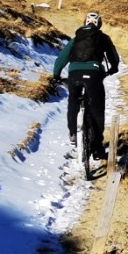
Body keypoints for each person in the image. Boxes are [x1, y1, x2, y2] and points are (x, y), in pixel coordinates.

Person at [51, 11, 120, 157]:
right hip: (94, 74)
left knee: (73, 102)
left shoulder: (76, 38)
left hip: (74, 74)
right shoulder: (103, 37)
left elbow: (61, 58)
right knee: (97, 109)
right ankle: (97, 148)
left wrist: (56, 75)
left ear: (85, 22)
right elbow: (113, 56)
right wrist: (113, 68)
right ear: (99, 23)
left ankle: (72, 134)